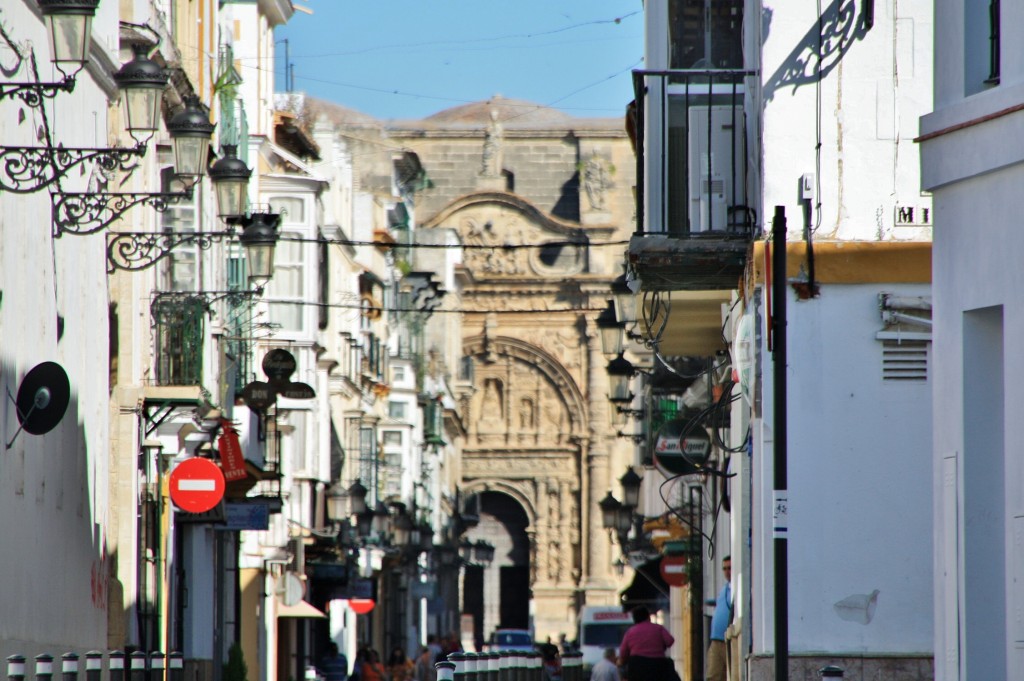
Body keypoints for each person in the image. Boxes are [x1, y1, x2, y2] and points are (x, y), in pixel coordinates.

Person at [618, 605, 676, 681]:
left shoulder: (630, 632)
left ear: (634, 619)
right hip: (657, 665)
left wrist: (621, 662)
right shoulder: (658, 628)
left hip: (637, 666)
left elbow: (623, 653)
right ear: (648, 616)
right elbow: (670, 641)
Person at [706, 556, 733, 681]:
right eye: (725, 568)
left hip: (729, 640)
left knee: (731, 675)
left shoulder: (736, 587)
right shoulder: (725, 588)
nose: (727, 571)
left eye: (730, 568)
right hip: (716, 639)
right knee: (713, 676)